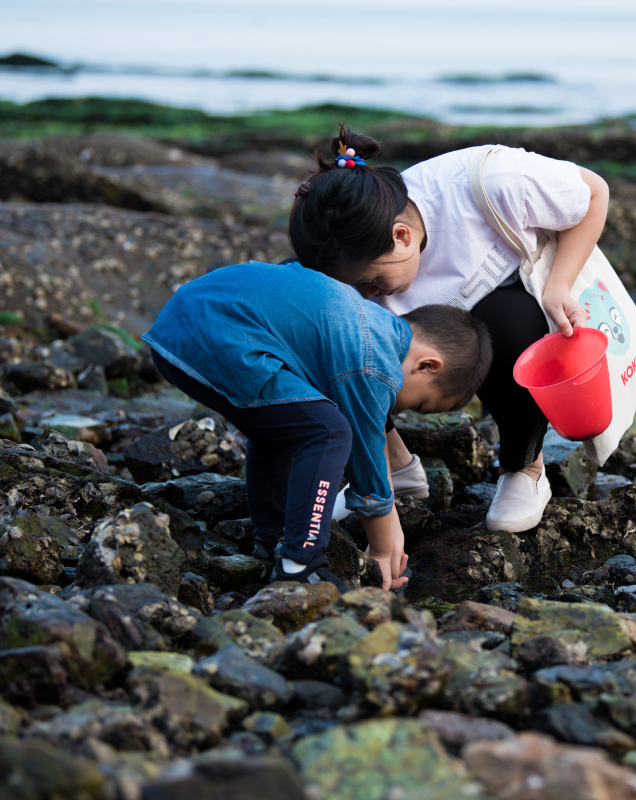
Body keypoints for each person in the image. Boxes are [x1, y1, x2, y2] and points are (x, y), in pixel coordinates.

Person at [289, 126, 609, 532]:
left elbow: (594, 193)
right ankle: (394, 465)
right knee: (315, 326)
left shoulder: (492, 183)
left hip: (504, 315)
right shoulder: (355, 268)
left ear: (401, 236)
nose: (366, 294)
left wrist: (559, 284)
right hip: (420, 337)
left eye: (371, 282)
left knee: (510, 324)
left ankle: (524, 467)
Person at [142, 261, 492, 592]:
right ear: (427, 365)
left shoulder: (367, 323)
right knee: (330, 432)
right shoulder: (375, 365)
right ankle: (301, 561)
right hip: (218, 334)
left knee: (284, 427)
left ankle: (272, 537)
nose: (403, 411)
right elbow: (367, 465)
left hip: (184, 324)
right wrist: (382, 550)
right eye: (420, 404)